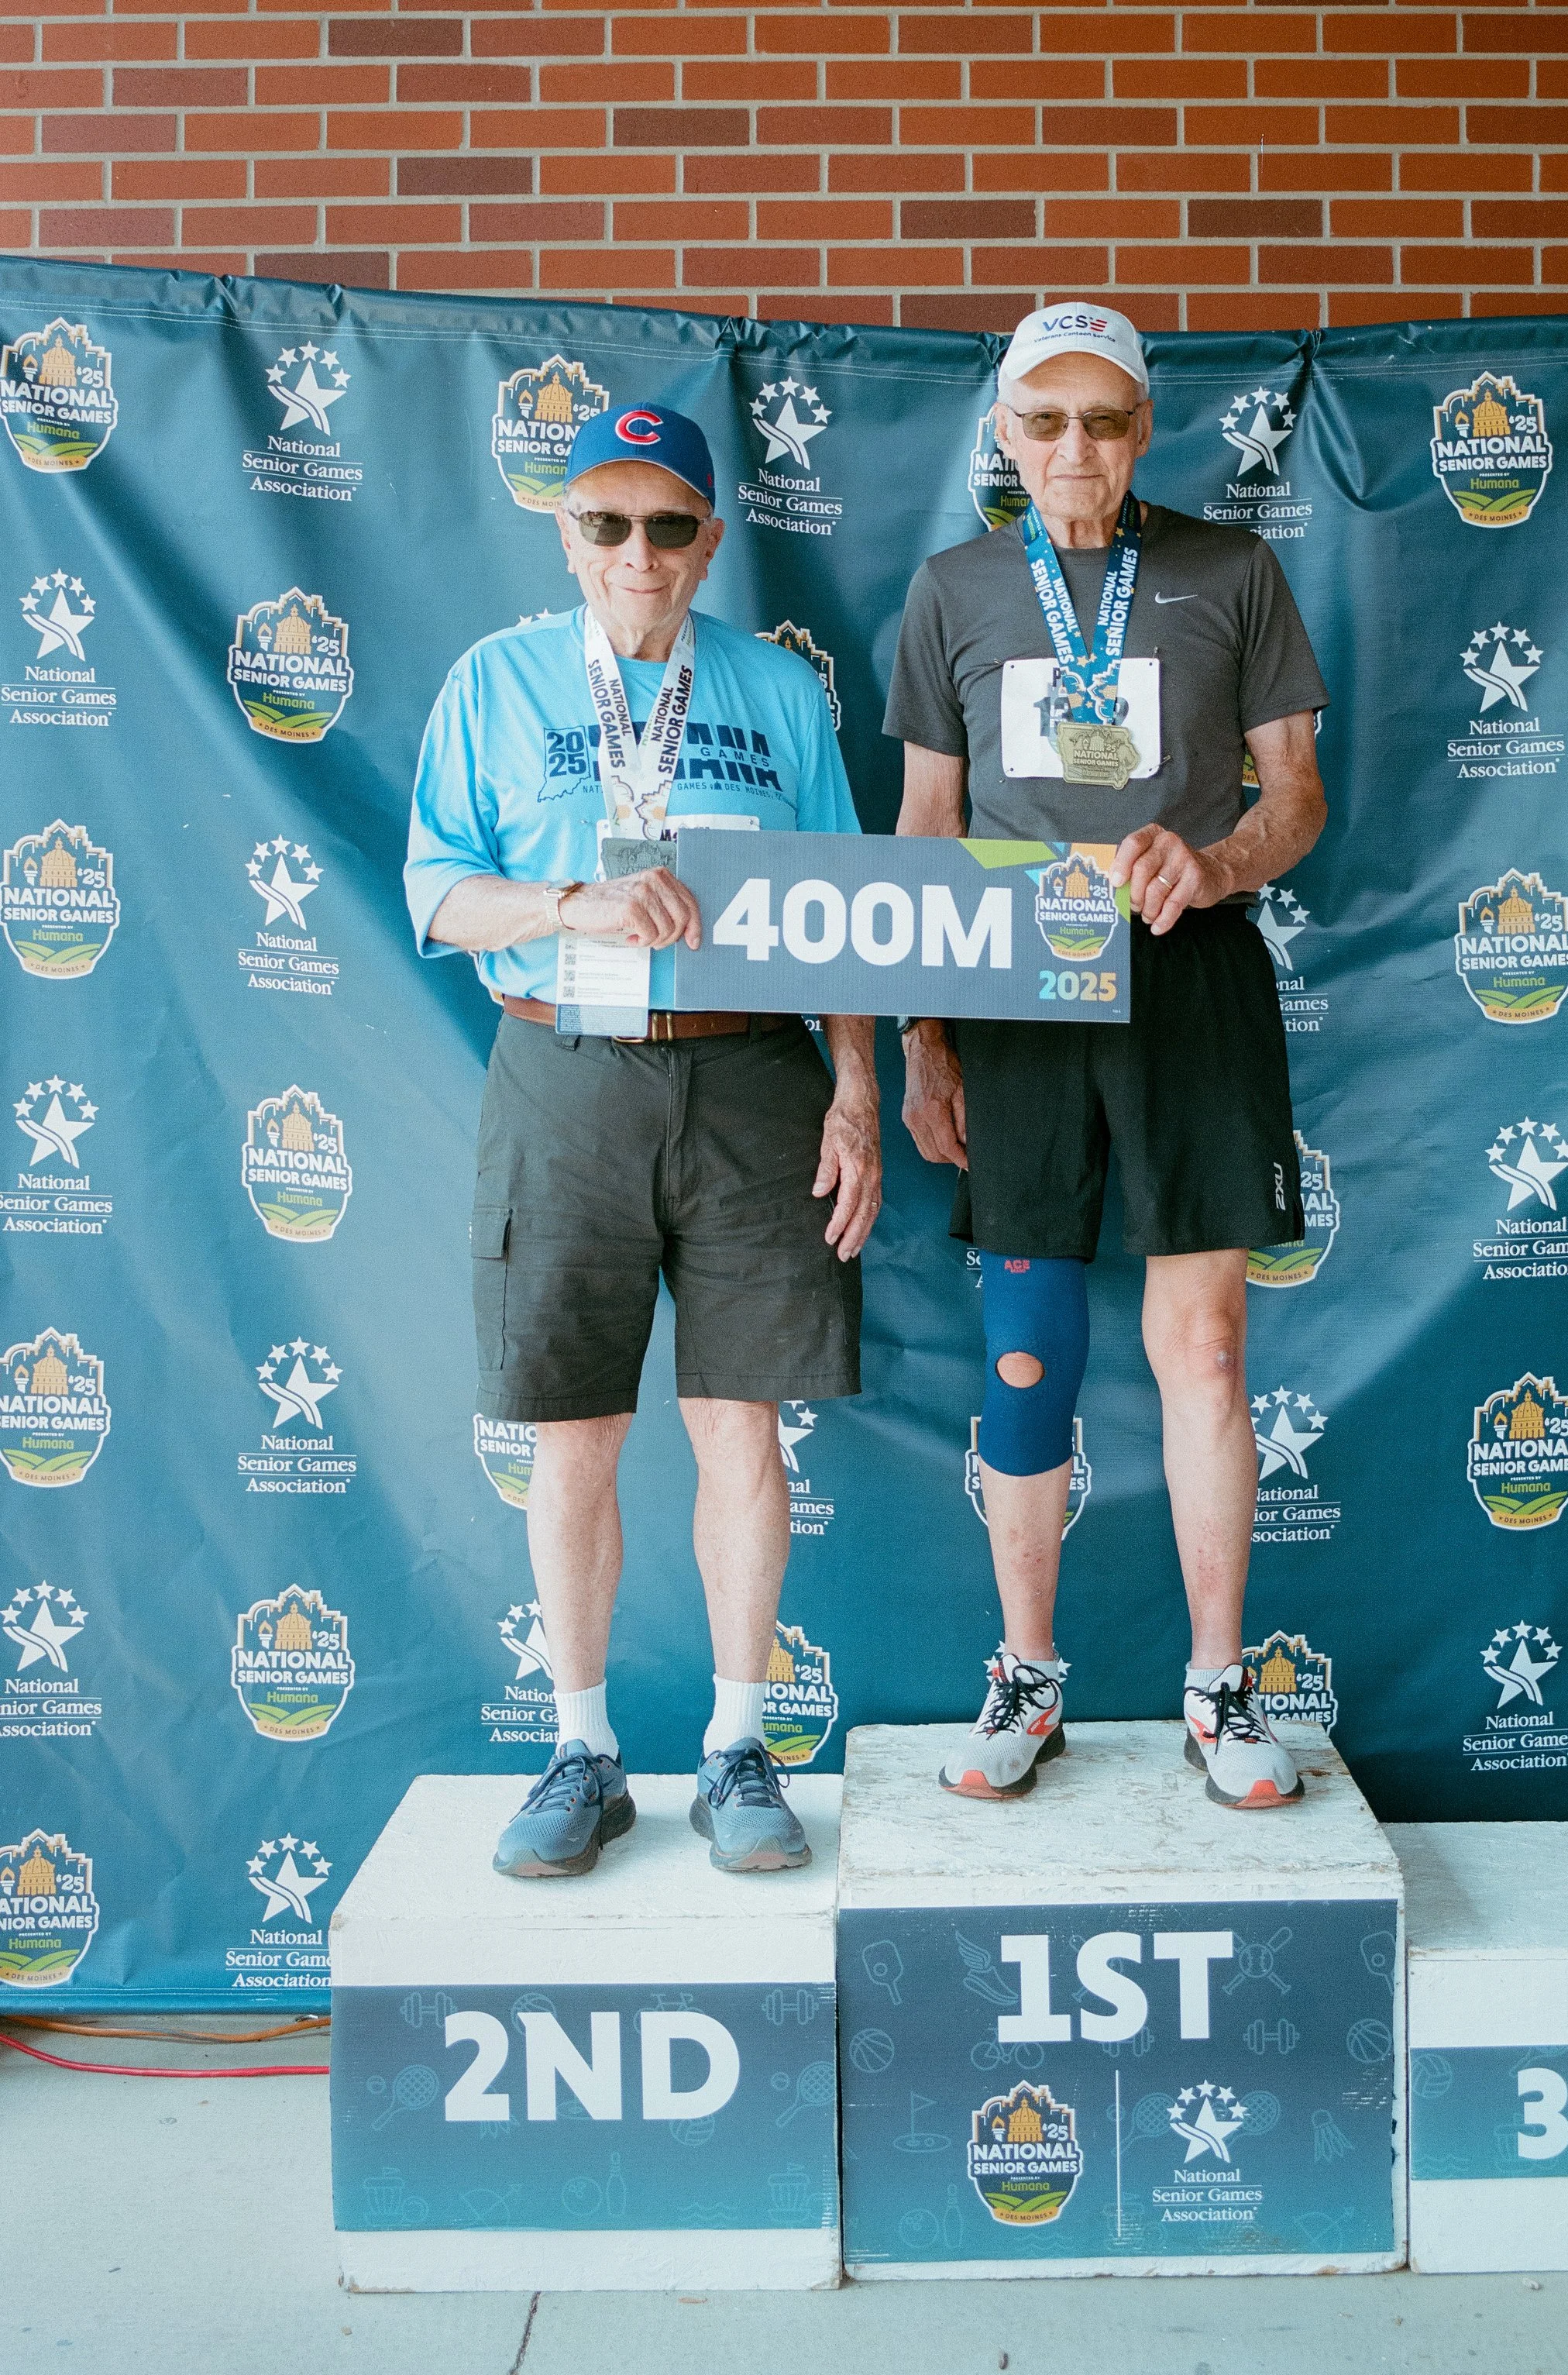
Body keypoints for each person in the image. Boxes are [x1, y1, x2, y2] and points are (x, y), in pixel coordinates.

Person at [404, 401, 882, 1878]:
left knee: (740, 1422)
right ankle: (583, 1750)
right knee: (575, 1435)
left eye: (668, 524)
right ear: (565, 534)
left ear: (710, 541)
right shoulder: (493, 685)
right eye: (604, 523)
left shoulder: (778, 693)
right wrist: (569, 905)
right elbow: (436, 893)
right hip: (566, 1070)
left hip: (751, 1079)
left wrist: (857, 1093)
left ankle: (742, 1744)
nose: (637, 551)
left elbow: (848, 912)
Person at [886, 304, 1329, 1809]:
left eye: (1104, 420)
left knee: (1202, 1346)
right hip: (1009, 987)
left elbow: (1298, 798)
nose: (1074, 449)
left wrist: (1210, 863)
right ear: (1004, 434)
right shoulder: (950, 588)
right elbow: (926, 826)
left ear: (1144, 428)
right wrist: (922, 1037)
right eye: (1044, 421)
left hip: (1188, 974)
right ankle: (1025, 1673)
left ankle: (1218, 1681)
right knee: (1025, 1351)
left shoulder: (1230, 568)